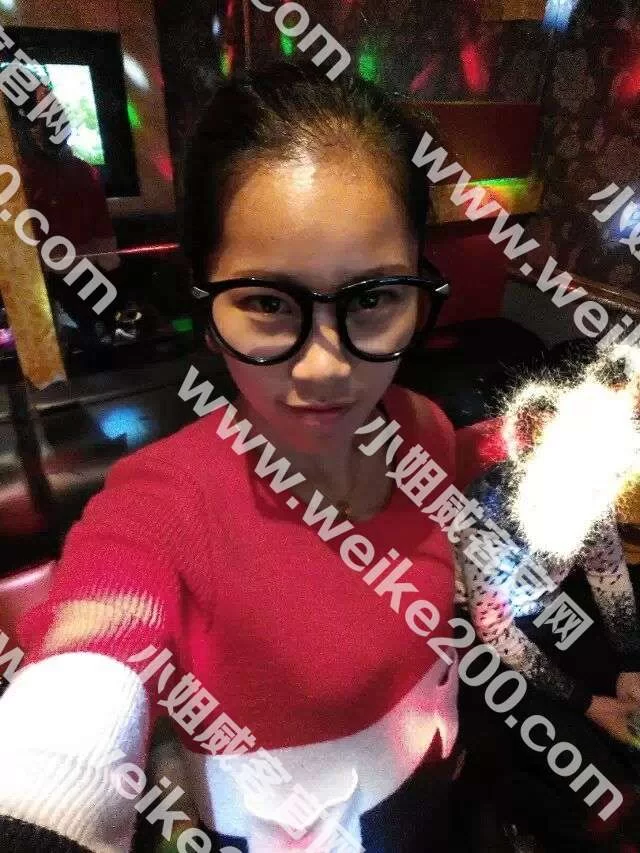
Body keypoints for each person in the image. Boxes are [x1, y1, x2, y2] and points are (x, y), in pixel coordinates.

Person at [0, 61, 465, 852]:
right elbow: (88, 659)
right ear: (207, 307)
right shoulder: (164, 503)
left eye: (373, 298)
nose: (324, 366)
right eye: (267, 302)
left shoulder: (426, 431)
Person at [455, 373, 640, 851]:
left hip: (541, 598)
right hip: (474, 617)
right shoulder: (488, 514)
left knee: (618, 685)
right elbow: (495, 628)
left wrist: (630, 663)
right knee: (548, 721)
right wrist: (589, 703)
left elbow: (607, 571)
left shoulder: (593, 481)